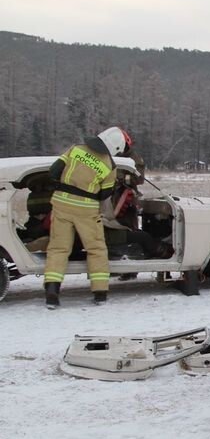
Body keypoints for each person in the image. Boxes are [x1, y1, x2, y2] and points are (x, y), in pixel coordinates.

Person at [44, 126, 131, 308]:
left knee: (58, 249)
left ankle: (52, 293)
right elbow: (105, 195)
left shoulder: (75, 149)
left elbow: (53, 172)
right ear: (116, 148)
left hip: (61, 205)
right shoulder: (109, 165)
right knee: (96, 249)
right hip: (87, 210)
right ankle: (100, 293)